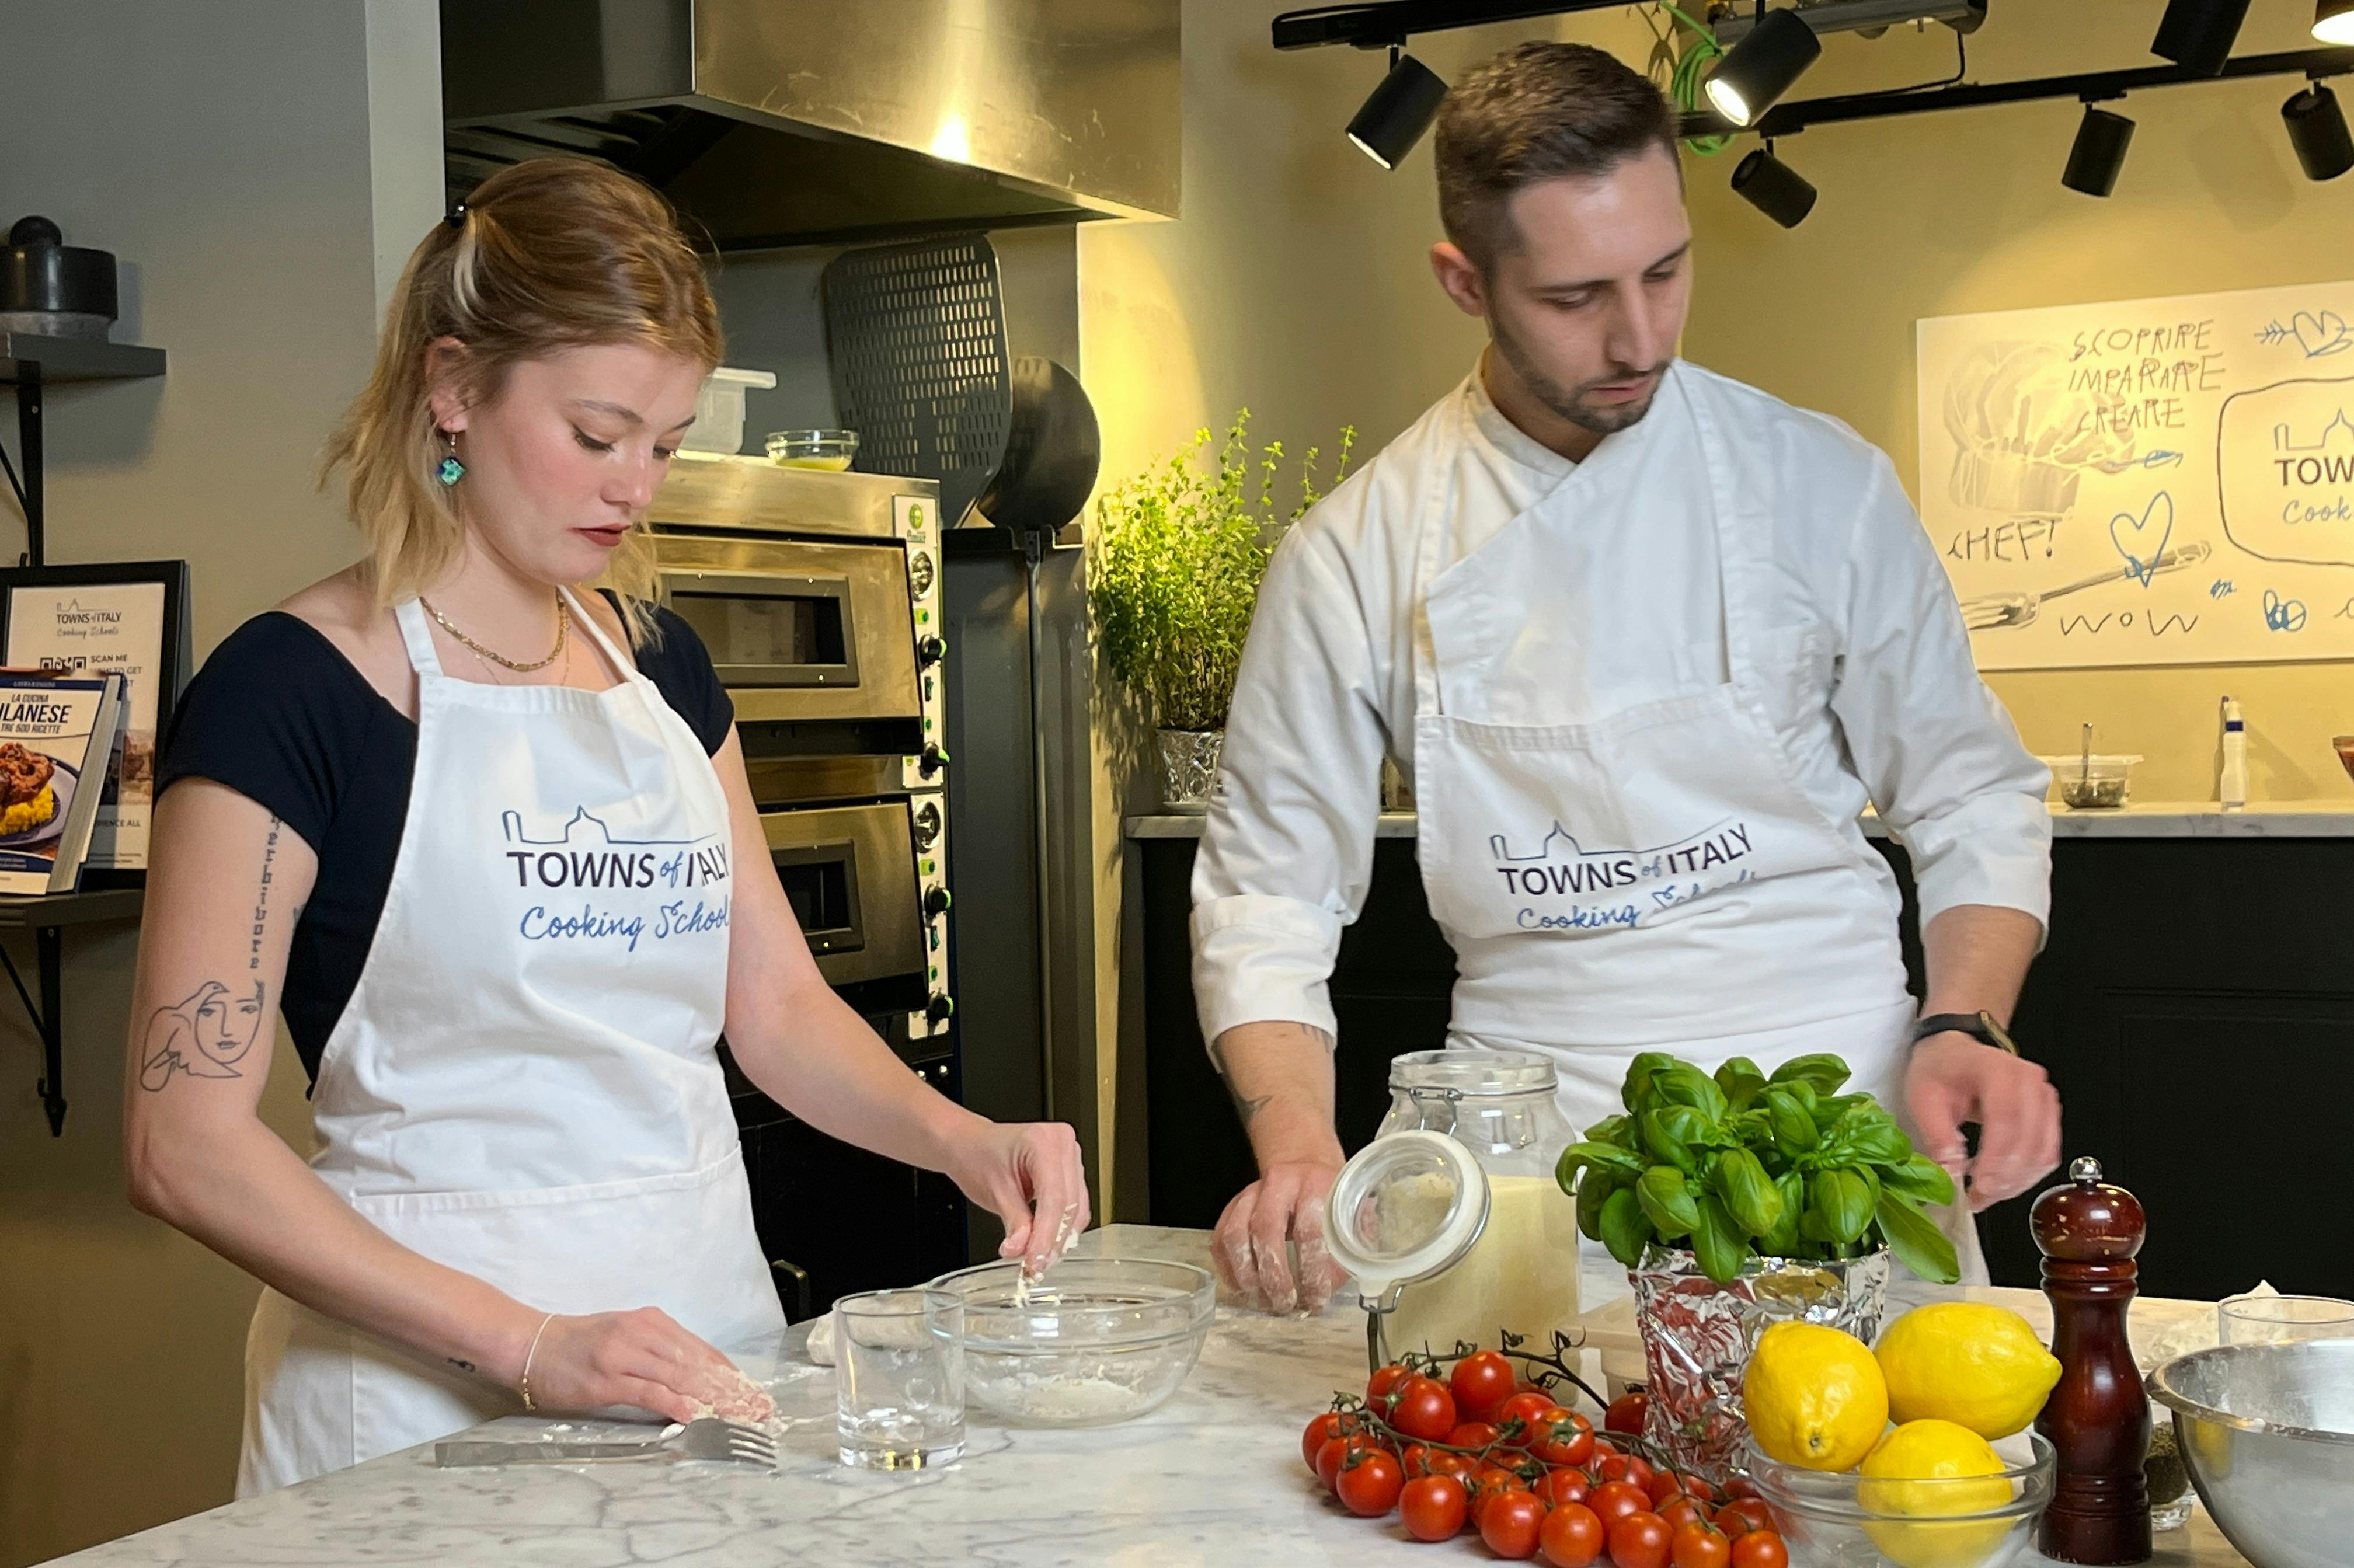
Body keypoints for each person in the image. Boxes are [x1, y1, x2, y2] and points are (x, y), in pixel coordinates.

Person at [123, 158, 1088, 1496]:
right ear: (455, 384)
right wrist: (531, 1343)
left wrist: (963, 1138)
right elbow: (186, 1143)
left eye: (667, 441)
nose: (637, 485)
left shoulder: (664, 668)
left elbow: (777, 1007)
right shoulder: (290, 691)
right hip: (413, 1411)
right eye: (597, 433)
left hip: (702, 1352)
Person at [1194, 43, 2060, 1314]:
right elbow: (1266, 899)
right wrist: (1302, 1153)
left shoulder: (1821, 482)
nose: (1639, 333)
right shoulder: (1353, 554)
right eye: (1576, 294)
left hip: (1845, 1121)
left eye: (1666, 270)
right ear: (1463, 281)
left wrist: (1965, 1025)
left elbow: (1972, 794)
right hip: (1533, 1163)